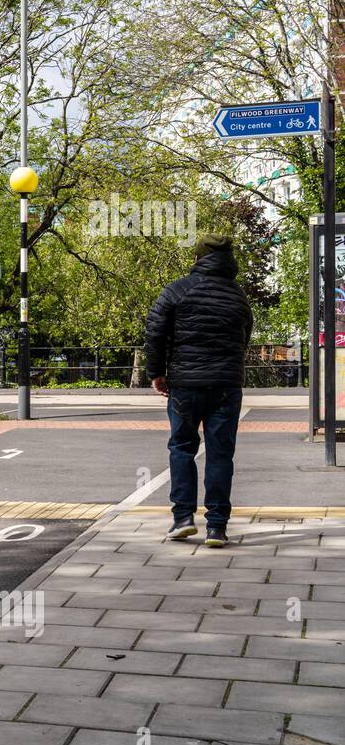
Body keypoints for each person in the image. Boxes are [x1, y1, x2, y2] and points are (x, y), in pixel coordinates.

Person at [144, 233, 253, 548]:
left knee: (182, 448)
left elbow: (155, 331)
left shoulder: (177, 290)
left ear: (197, 259)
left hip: (186, 385)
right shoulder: (238, 295)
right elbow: (244, 335)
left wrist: (157, 373)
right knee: (221, 454)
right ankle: (217, 528)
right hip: (226, 386)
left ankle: (183, 519)